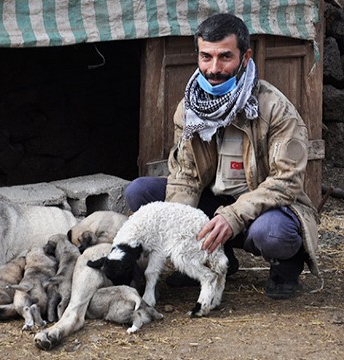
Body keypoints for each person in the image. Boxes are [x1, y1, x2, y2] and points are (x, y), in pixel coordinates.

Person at [124, 13, 319, 300]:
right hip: (212, 202)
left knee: (273, 234)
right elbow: (185, 174)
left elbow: (286, 181)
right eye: (206, 57)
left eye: (225, 57)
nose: (214, 68)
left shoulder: (275, 109)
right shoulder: (189, 108)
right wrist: (180, 234)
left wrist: (233, 216)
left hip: (263, 209)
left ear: (245, 56)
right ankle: (216, 253)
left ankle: (286, 265)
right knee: (140, 192)